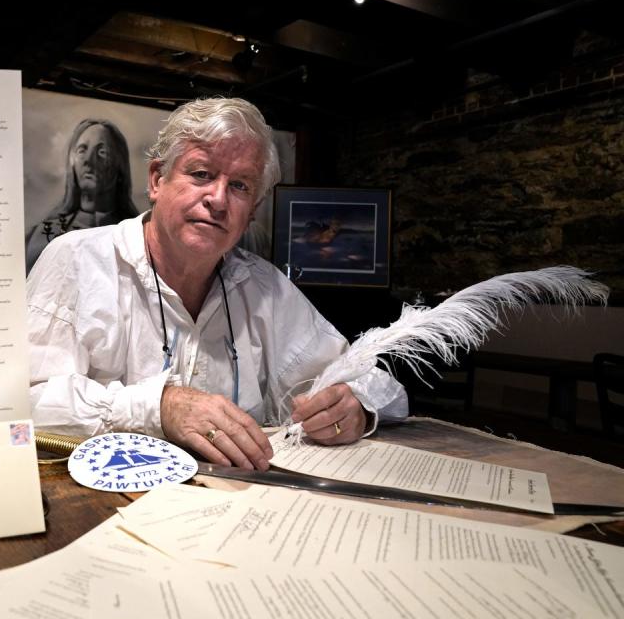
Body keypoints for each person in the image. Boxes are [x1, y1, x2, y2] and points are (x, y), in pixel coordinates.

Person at [27, 98, 407, 470]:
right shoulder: (76, 260)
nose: (218, 200)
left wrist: (356, 404)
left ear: (253, 209)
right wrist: (160, 407)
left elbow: (371, 383)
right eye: (201, 174)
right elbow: (23, 401)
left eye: (240, 185)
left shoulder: (264, 287)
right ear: (157, 179)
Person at [25, 119, 139, 272]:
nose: (88, 160)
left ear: (120, 167)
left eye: (102, 152)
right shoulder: (44, 234)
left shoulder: (136, 236)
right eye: (81, 150)